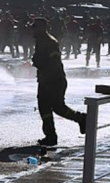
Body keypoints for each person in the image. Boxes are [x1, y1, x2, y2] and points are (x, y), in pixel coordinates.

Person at [31, 18, 88, 146]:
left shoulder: (50, 42)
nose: (32, 29)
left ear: (42, 28)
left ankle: (81, 118)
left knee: (58, 108)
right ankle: (51, 136)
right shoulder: (41, 41)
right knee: (44, 108)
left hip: (54, 81)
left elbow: (54, 62)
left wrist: (41, 66)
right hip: (47, 80)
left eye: (35, 27)